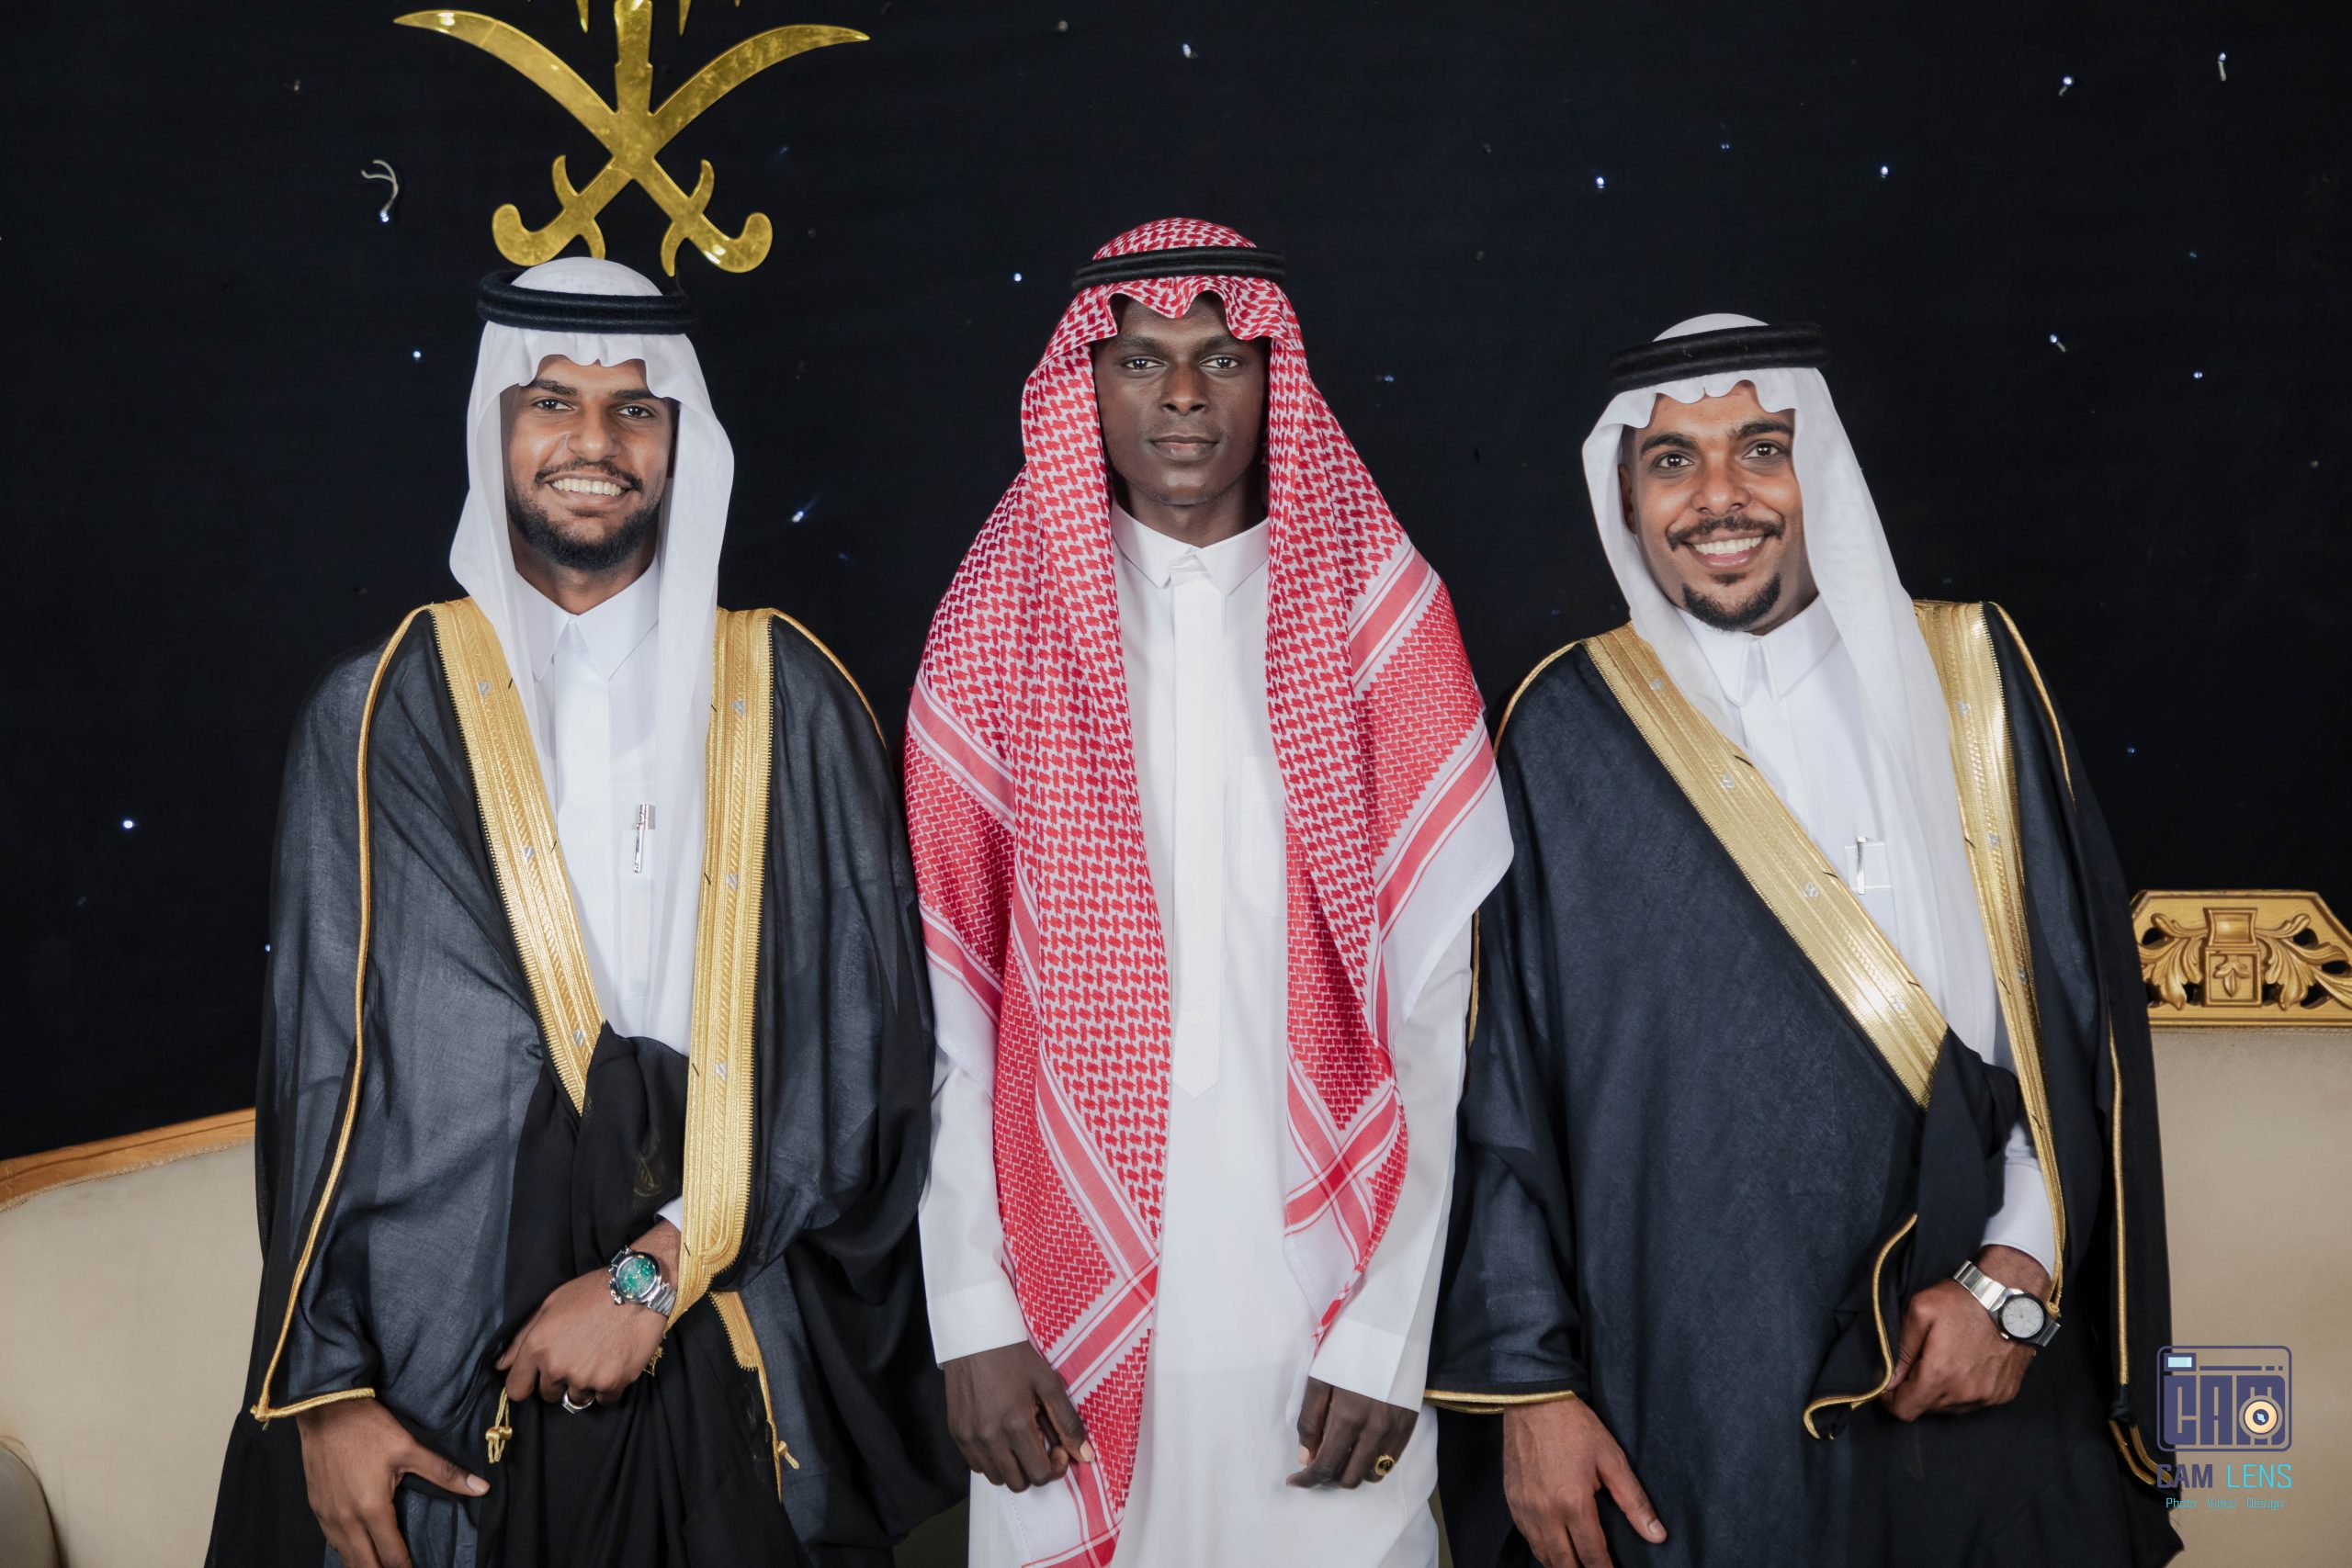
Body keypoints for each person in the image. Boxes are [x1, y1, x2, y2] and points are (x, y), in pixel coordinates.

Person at [207, 258, 957, 1568]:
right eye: (551, 401)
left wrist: (649, 1277)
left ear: (682, 440)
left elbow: (864, 1061)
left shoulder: (792, 700)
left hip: (731, 1337)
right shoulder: (378, 716)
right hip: (438, 1376)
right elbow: (321, 1077)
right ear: (494, 426)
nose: (594, 442)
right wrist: (324, 1393)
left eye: (635, 409)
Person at [1429, 316, 2180, 1568]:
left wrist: (2019, 1278)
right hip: (1677, 1395)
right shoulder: (1561, 730)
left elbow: (2069, 1017)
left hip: (1961, 1359)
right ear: (1626, 495)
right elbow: (1503, 1093)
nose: (1719, 497)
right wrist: (1531, 1388)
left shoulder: (1971, 677)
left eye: (1759, 449)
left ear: (1815, 465)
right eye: (1673, 461)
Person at [903, 219, 1512, 1567]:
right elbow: (951, 1006)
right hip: (1053, 1322)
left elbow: (1436, 1023)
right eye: (1140, 360)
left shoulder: (1383, 623)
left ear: (1274, 378)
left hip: (1322, 1315)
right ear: (1086, 385)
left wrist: (1388, 1328)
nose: (1182, 394)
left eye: (1222, 359)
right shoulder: (1000, 622)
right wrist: (970, 1310)